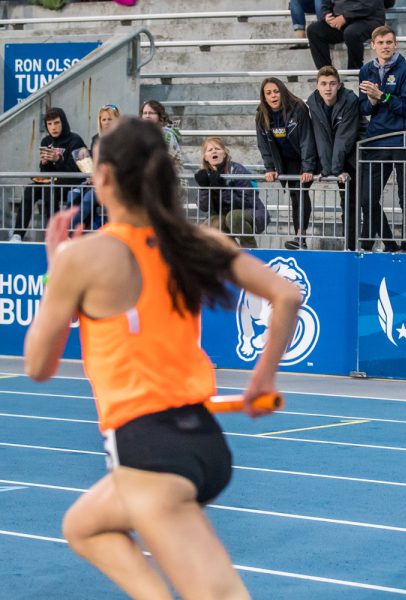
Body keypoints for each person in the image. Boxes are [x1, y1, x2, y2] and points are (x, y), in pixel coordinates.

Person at [23, 117, 301, 599]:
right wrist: (260, 382)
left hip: (149, 448)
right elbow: (287, 295)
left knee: (218, 595)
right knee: (84, 526)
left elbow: (38, 366)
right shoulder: (194, 241)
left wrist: (55, 274)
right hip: (202, 440)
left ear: (105, 178)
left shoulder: (84, 257)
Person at [358, 25, 406, 252]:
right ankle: (391, 244)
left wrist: (382, 96)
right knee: (367, 199)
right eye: (380, 43)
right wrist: (373, 101)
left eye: (389, 42)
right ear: (373, 45)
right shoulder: (366, 71)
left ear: (396, 44)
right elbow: (363, 107)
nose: (385, 47)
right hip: (376, 141)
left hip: (402, 141)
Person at [255, 77, 317, 250]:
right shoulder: (261, 113)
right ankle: (298, 237)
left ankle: (300, 237)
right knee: (294, 196)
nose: (273, 96)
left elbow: (307, 139)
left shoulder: (298, 108)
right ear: (264, 96)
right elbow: (263, 144)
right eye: (268, 93)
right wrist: (270, 168)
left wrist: (308, 168)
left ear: (282, 92)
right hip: (286, 161)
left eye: (276, 91)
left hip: (302, 157)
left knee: (300, 194)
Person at [307, 66, 365, 251]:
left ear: (339, 85)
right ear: (317, 86)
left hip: (356, 156)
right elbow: (321, 138)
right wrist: (327, 170)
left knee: (361, 203)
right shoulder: (313, 103)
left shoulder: (350, 100)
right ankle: (349, 246)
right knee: (346, 203)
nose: (328, 88)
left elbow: (344, 137)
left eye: (332, 83)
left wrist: (336, 170)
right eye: (323, 84)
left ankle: (363, 245)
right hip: (337, 158)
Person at [10, 107, 86, 242]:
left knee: (49, 189)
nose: (53, 127)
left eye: (56, 123)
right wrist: (45, 163)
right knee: (29, 190)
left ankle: (57, 234)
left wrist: (58, 160)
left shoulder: (75, 140)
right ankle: (17, 234)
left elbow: (76, 170)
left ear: (63, 122)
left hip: (72, 183)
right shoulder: (46, 142)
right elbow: (45, 173)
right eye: (49, 124)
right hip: (52, 182)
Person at [194, 136, 269, 249]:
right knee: (211, 224)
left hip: (251, 213)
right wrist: (204, 187)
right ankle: (234, 254)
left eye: (218, 149)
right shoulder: (205, 175)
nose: (214, 151)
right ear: (205, 157)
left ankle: (252, 252)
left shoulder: (237, 170)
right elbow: (204, 207)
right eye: (210, 150)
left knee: (233, 217)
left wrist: (223, 189)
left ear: (224, 154)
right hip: (224, 217)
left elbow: (247, 200)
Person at [66, 103, 120, 232]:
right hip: (95, 180)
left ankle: (69, 231)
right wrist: (86, 153)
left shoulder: (123, 139)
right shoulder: (96, 139)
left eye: (110, 119)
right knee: (72, 195)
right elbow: (94, 163)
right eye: (103, 119)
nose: (106, 122)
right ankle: (81, 229)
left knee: (87, 199)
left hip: (113, 183)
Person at [306, 0, 389, 70]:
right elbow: (325, 3)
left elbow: (370, 5)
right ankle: (326, 73)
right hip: (340, 20)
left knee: (351, 33)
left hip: (368, 19)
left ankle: (354, 71)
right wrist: (327, 15)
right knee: (314, 30)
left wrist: (345, 17)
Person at [140, 100, 183, 171]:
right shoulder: (136, 133)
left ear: (159, 116)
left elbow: (174, 163)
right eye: (145, 113)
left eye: (151, 113)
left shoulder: (167, 136)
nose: (147, 116)